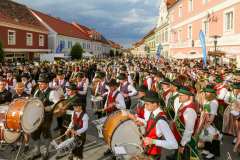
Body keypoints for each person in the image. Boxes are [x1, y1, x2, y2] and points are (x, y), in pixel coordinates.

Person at [129, 91, 178, 159]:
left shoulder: (161, 121)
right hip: (147, 150)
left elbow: (174, 145)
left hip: (153, 155)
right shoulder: (153, 113)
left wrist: (153, 141)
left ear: (154, 104)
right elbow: (152, 126)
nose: (145, 107)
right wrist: (141, 122)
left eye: (147, 104)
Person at [30, 74, 58, 160]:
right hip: (37, 116)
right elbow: (34, 100)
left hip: (47, 116)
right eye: (39, 83)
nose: (40, 85)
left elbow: (57, 103)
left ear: (47, 84)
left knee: (45, 133)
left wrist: (49, 107)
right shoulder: (37, 91)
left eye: (42, 83)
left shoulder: (52, 92)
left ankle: (46, 151)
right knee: (34, 133)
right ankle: (37, 151)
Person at [169, 86, 200, 160]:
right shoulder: (183, 104)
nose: (179, 97)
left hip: (185, 141)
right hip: (179, 137)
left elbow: (189, 130)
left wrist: (182, 145)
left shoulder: (189, 110)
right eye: (179, 95)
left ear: (188, 96)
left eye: (181, 95)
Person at [197, 85, 221, 159]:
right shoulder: (207, 100)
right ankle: (207, 149)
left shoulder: (214, 102)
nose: (206, 93)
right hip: (206, 120)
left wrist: (208, 123)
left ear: (212, 93)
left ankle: (213, 152)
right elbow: (204, 109)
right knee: (207, 135)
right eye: (206, 91)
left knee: (213, 137)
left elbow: (213, 115)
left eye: (208, 92)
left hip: (212, 121)